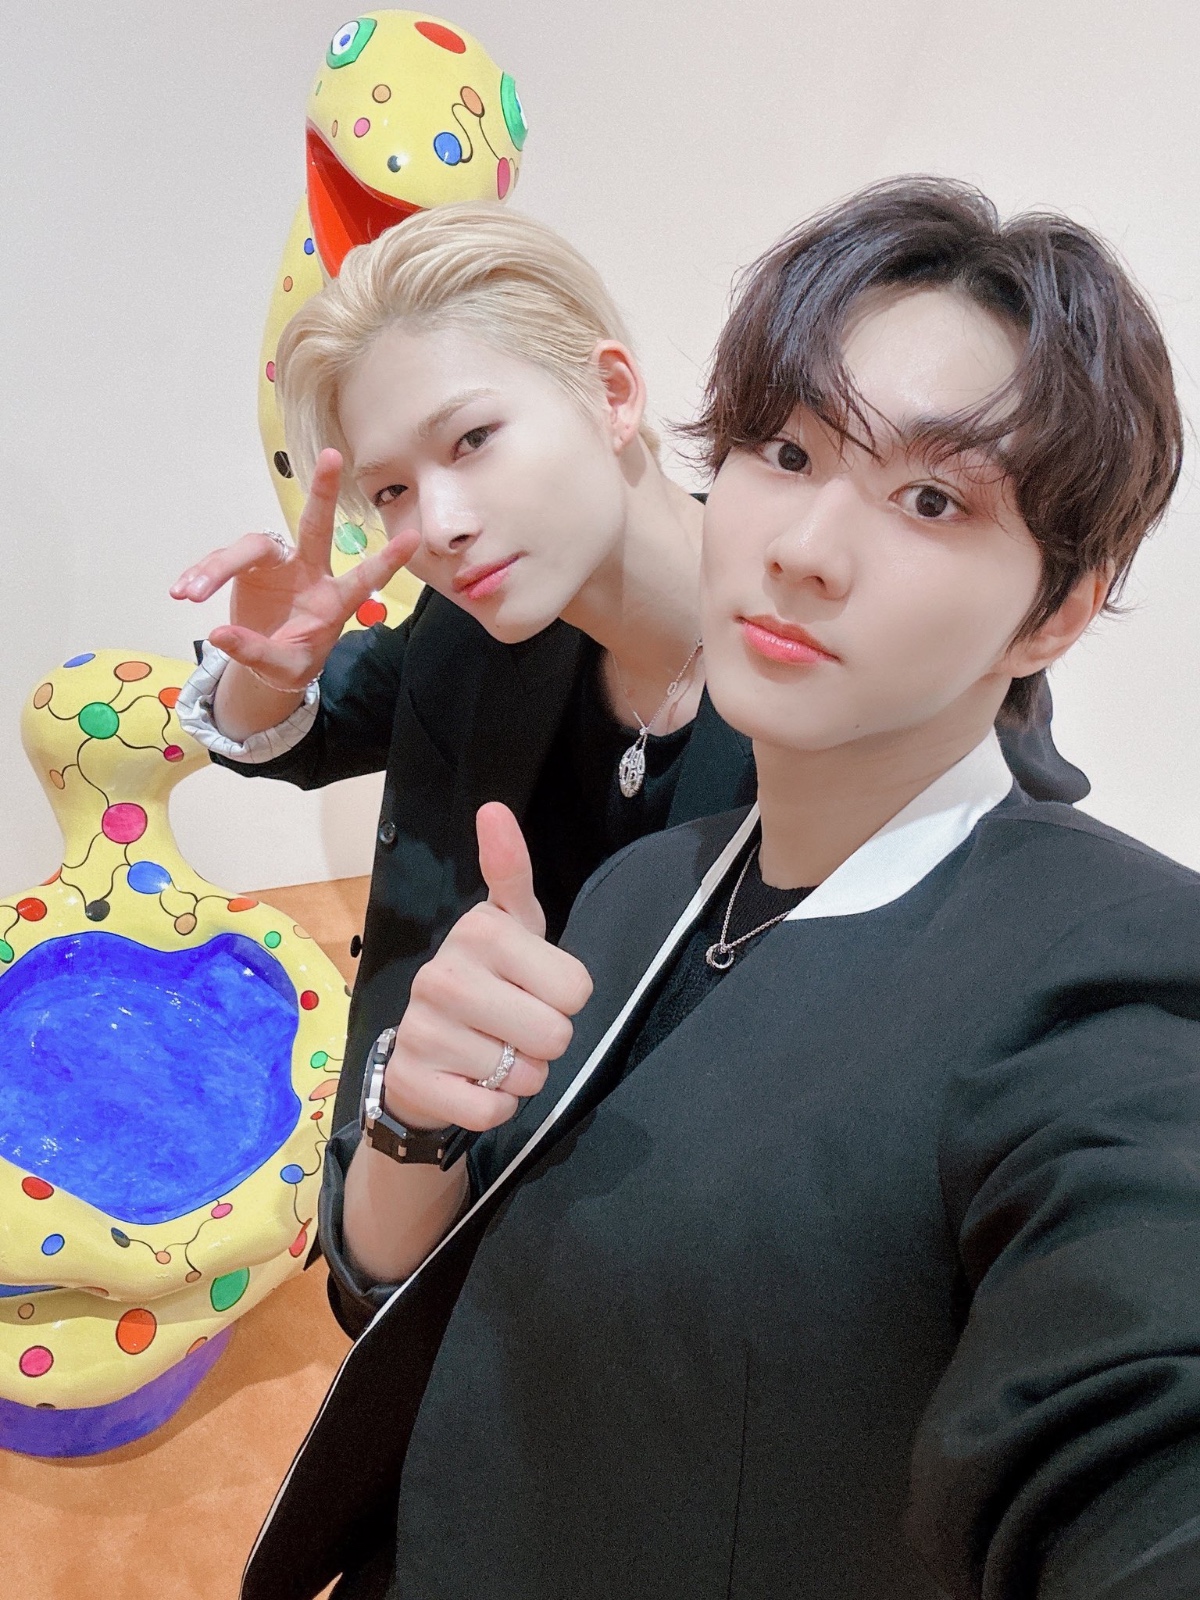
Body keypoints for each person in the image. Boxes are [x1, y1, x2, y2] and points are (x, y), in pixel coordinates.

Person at [240, 178, 1200, 1600]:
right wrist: (411, 1109)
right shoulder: (642, 889)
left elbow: (1130, 1411)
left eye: (932, 497)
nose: (804, 546)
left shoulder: (1109, 988)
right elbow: (443, 1264)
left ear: (1056, 612)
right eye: (787, 450)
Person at [172, 202, 1085, 1136]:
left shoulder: (860, 681)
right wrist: (274, 662)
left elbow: (998, 923)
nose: (439, 525)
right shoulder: (465, 631)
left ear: (612, 394)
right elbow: (293, 732)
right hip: (431, 1159)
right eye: (394, 489)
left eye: (473, 440)